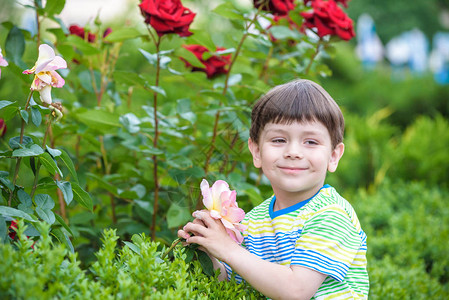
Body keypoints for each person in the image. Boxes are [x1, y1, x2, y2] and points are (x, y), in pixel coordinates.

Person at [178, 79, 369, 299]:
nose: (293, 152)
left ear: (333, 156)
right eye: (279, 139)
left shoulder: (332, 216)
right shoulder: (254, 221)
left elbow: (296, 291)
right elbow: (234, 281)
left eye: (311, 142)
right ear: (257, 151)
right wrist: (208, 248)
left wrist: (228, 249)